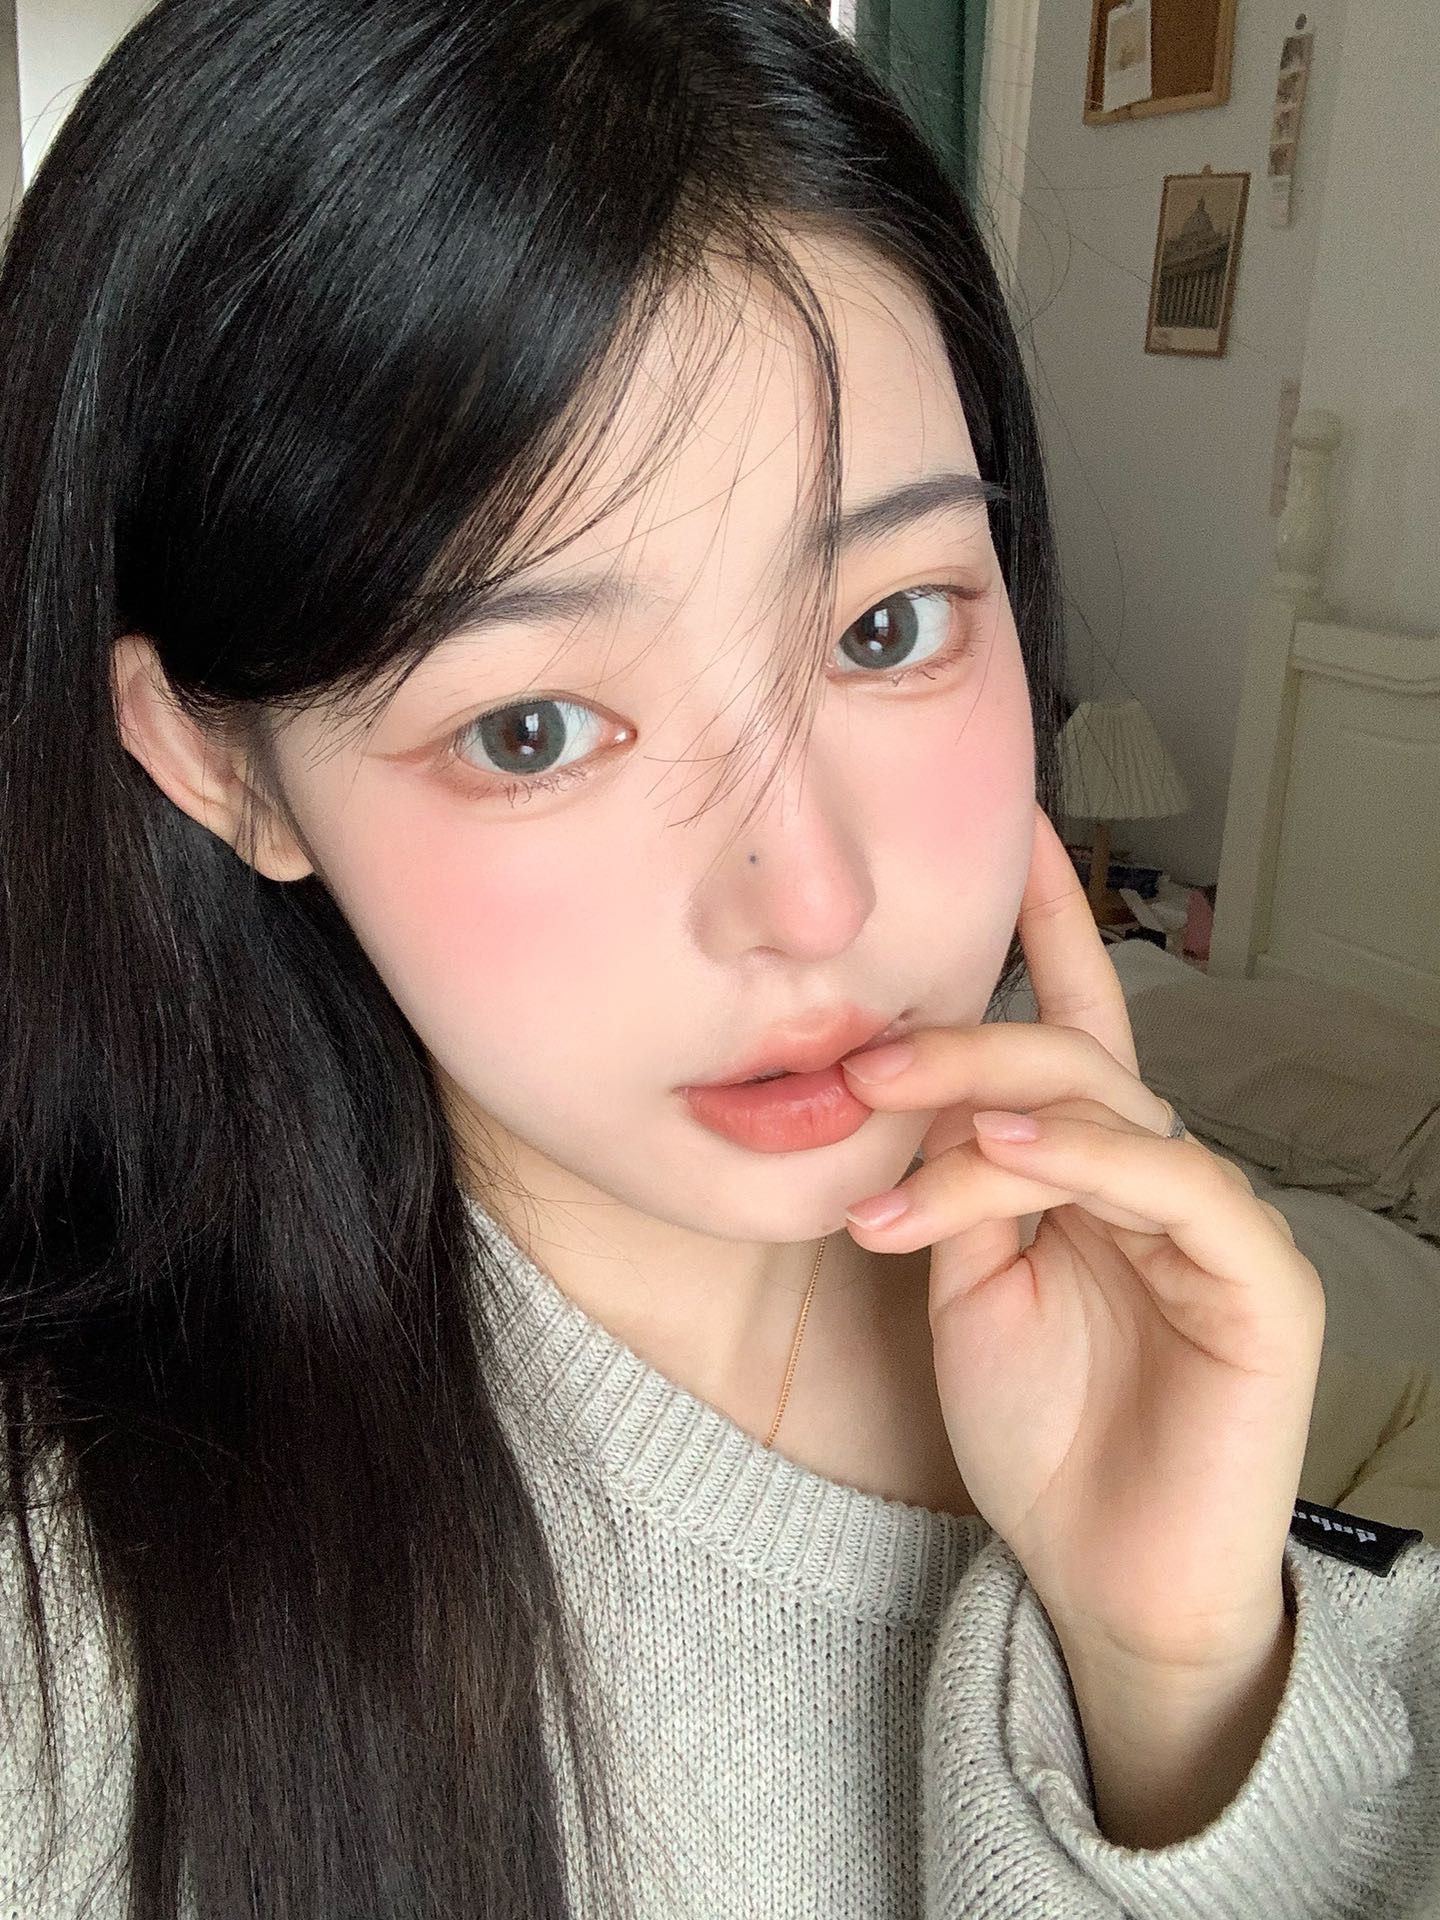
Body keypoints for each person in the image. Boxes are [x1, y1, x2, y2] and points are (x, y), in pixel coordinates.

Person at [1, 1, 1436, 1916]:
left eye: (887, 625)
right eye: (531, 729)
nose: (811, 898)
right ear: (224, 769)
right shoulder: (63, 1643)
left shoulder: (1182, 1389)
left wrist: (1176, 1689)